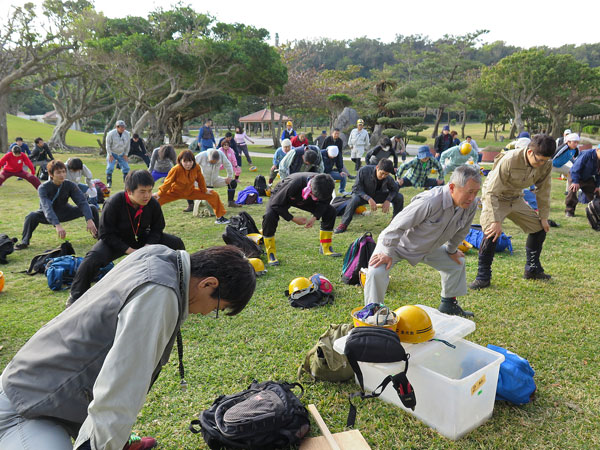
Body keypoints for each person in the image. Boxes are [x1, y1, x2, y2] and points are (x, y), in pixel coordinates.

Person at [0, 244, 256, 450]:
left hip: (35, 384)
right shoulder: (160, 294)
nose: (206, 314)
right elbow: (121, 385)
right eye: (217, 309)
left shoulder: (157, 255)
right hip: (26, 410)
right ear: (208, 284)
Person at [364, 165, 481, 317]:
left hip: (428, 247)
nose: (472, 198)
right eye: (469, 192)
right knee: (376, 271)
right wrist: (386, 252)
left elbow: (462, 230)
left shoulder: (469, 205)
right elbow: (396, 226)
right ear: (452, 187)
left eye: (476, 192)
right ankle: (373, 315)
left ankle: (448, 305)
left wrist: (452, 250)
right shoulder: (430, 201)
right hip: (398, 244)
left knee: (456, 263)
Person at [68, 169, 185, 303]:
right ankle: (75, 297)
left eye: (149, 190)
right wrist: (129, 250)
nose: (147, 195)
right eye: (142, 191)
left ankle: (180, 281)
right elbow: (105, 234)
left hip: (142, 238)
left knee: (176, 244)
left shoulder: (152, 203)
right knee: (91, 260)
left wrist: (149, 245)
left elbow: (157, 228)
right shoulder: (113, 203)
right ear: (129, 191)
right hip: (116, 240)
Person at [470, 134, 555, 290]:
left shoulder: (546, 164)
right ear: (530, 152)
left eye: (545, 160)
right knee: (491, 232)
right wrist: (495, 221)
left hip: (516, 198)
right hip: (496, 196)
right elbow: (491, 192)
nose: (541, 164)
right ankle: (483, 277)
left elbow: (544, 191)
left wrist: (544, 217)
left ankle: (532, 269)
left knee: (539, 229)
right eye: (539, 160)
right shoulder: (510, 159)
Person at [14, 160, 98, 250]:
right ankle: (24, 241)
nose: (62, 175)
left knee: (92, 208)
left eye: (63, 172)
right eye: (58, 172)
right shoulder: (43, 188)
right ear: (51, 174)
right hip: (47, 214)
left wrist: (89, 219)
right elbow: (47, 207)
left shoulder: (70, 185)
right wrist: (57, 225)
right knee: (31, 216)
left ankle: (98, 234)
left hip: (65, 212)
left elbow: (81, 201)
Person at [262, 172, 341, 266]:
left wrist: (315, 217)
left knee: (330, 211)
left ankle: (326, 248)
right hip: (284, 196)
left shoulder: (326, 186)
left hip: (306, 199)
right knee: (269, 215)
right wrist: (293, 218)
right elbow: (276, 204)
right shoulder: (293, 184)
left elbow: (324, 203)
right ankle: (270, 253)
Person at [154, 150, 229, 224]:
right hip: (174, 192)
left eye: (190, 161)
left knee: (213, 194)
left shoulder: (196, 167)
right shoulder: (176, 169)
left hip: (190, 192)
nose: (188, 164)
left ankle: (220, 218)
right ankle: (148, 222)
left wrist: (204, 190)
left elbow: (200, 179)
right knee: (154, 201)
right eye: (185, 162)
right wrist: (159, 194)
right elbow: (168, 183)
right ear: (180, 161)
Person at [334, 159, 404, 234]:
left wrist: (388, 200)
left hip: (378, 195)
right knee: (354, 199)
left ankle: (395, 223)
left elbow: (394, 190)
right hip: (363, 195)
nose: (383, 176)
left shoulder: (388, 178)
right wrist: (368, 198)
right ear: (377, 167)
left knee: (399, 197)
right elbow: (356, 189)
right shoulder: (364, 171)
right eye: (382, 173)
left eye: (386, 174)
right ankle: (343, 224)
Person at [565, 144, 600, 217]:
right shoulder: (587, 154)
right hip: (575, 175)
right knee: (572, 191)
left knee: (595, 194)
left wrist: (597, 186)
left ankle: (596, 211)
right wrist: (575, 182)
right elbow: (575, 168)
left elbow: (598, 174)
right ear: (597, 150)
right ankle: (569, 211)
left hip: (587, 177)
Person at [105, 120, 131, 188]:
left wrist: (126, 154)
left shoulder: (127, 134)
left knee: (126, 168)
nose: (123, 129)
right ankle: (109, 182)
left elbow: (128, 145)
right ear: (117, 127)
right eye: (121, 127)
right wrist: (110, 155)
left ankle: (126, 183)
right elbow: (108, 145)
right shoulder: (111, 134)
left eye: (124, 127)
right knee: (110, 168)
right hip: (112, 153)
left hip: (122, 153)